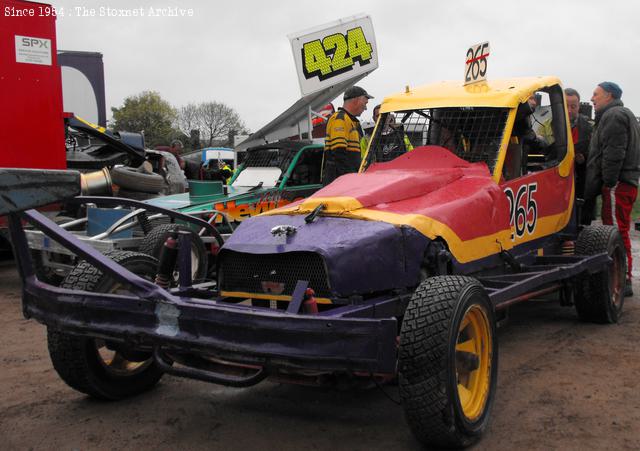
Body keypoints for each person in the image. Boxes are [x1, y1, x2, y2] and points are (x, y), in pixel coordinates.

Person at [585, 81, 640, 296]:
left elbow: (614, 151)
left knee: (616, 231)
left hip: (618, 184)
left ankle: (623, 279)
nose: (592, 98)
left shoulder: (614, 116)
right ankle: (621, 276)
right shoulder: (623, 114)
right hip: (624, 182)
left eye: (596, 94)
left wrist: (608, 182)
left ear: (609, 95)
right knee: (617, 229)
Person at [322, 86, 372, 184]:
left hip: (343, 179)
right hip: (340, 181)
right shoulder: (340, 119)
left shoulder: (349, 120)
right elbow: (338, 153)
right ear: (356, 100)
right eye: (365, 103)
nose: (365, 108)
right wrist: (348, 181)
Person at [564, 88, 594, 223]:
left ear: (579, 106)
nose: (570, 110)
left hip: (582, 177)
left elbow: (597, 152)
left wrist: (584, 157)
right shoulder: (547, 124)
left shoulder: (589, 126)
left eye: (573, 106)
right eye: (566, 106)